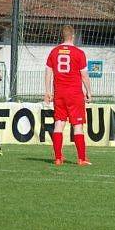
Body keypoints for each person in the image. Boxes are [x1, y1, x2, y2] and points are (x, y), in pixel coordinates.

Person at [44, 25, 93, 166]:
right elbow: (84, 75)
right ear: (73, 36)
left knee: (59, 124)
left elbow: (48, 72)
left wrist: (47, 91)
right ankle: (81, 158)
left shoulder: (54, 52)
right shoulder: (79, 53)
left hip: (59, 93)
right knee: (77, 126)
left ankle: (58, 158)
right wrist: (89, 91)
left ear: (63, 36)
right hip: (74, 94)